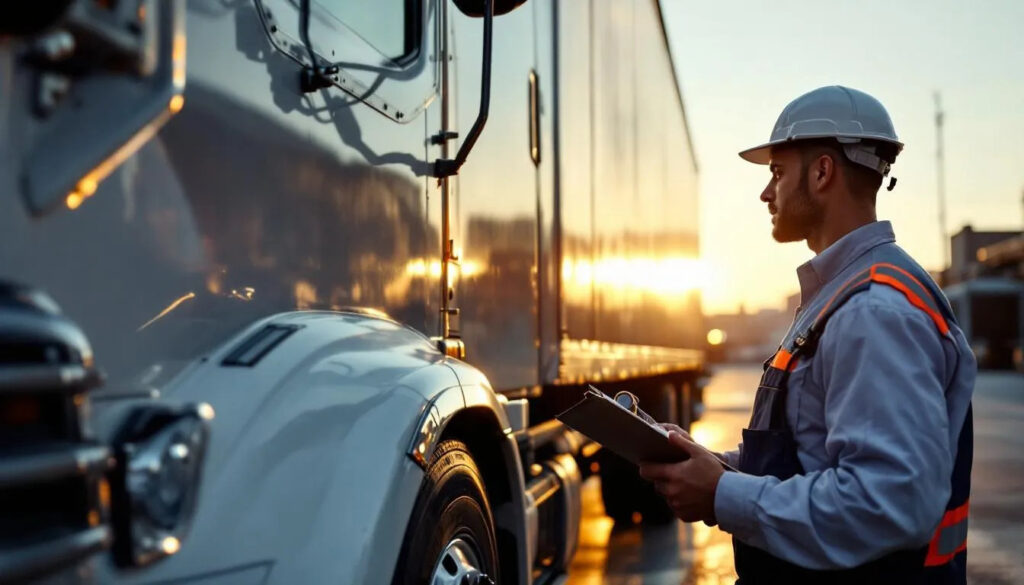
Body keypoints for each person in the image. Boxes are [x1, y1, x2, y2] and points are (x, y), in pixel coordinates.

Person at [639, 86, 976, 584]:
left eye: (777, 172)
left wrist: (722, 494)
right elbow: (813, 454)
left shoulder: (873, 311)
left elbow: (887, 503)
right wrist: (716, 467)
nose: (765, 192)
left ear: (822, 172)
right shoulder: (843, 294)